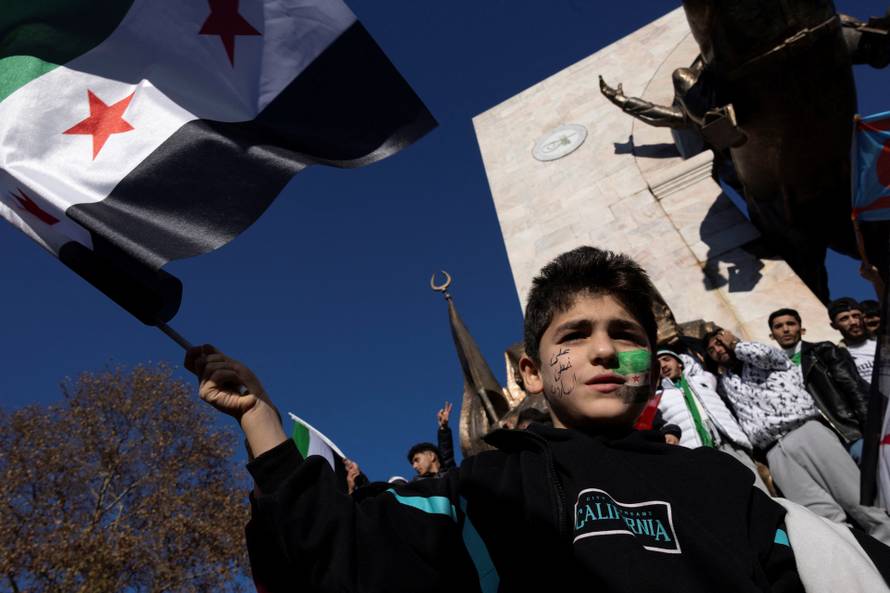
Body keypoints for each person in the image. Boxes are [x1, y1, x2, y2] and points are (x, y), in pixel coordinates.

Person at [189, 246, 823, 593]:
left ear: (653, 364)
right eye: (574, 334)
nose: (603, 351)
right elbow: (331, 559)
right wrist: (262, 423)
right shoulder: (482, 493)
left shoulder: (725, 486)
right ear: (531, 372)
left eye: (623, 334)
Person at [705, 327, 890, 542]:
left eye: (719, 343)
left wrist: (736, 344)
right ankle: (859, 561)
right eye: (711, 350)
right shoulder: (725, 382)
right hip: (774, 451)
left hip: (806, 432)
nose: (717, 350)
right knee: (821, 517)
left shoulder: (769, 359)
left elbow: (764, 354)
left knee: (857, 498)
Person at [654, 349, 767, 491]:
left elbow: (702, 349)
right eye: (657, 364)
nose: (663, 365)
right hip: (697, 454)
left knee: (756, 489)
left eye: (666, 359)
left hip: (730, 444)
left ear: (680, 363)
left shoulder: (704, 379)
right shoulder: (657, 397)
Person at [768, 307, 870, 463]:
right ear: (772, 335)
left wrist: (869, 424)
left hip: (849, 432)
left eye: (791, 324)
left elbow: (853, 387)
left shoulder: (823, 350)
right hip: (817, 444)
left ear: (801, 329)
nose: (786, 329)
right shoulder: (772, 369)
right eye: (779, 326)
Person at [829, 297, 878, 384]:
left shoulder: (883, 344)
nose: (853, 322)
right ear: (834, 326)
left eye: (856, 316)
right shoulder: (837, 358)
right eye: (844, 318)